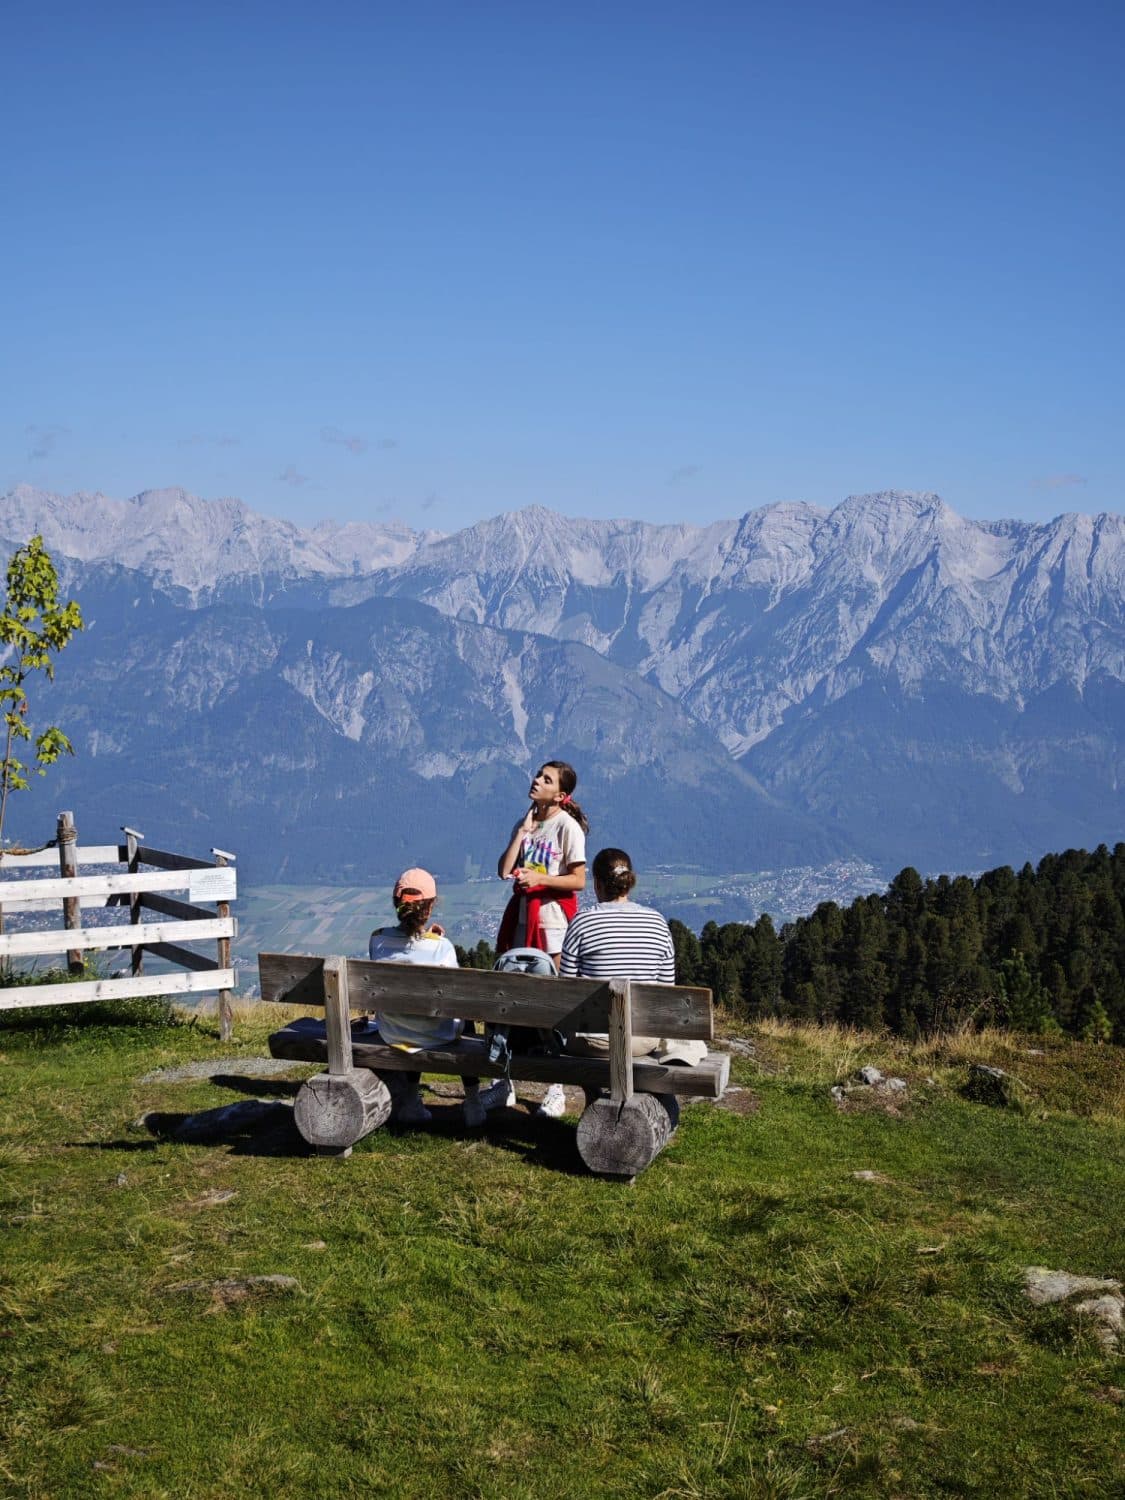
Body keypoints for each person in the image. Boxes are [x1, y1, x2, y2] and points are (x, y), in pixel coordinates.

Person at [367, 868, 503, 1127]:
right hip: (437, 1033)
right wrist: (436, 939)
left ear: (397, 904)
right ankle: (473, 1103)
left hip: (393, 1032)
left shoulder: (378, 940)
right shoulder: (442, 947)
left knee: (410, 1016)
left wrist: (428, 937)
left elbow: (407, 948)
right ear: (428, 909)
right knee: (458, 1018)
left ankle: (410, 1100)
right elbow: (458, 995)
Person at [495, 760, 589, 1116]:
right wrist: (521, 832)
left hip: (551, 924)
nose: (536, 780)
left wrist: (540, 881)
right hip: (521, 920)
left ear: (560, 795)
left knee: (554, 1003)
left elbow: (578, 880)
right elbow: (504, 870)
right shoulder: (528, 823)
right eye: (538, 775)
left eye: (546, 779)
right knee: (513, 1001)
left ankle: (556, 1087)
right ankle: (504, 1080)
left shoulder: (567, 828)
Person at [559, 846, 706, 1064]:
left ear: (597, 883)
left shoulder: (582, 922)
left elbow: (566, 989)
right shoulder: (657, 922)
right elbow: (666, 991)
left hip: (590, 1040)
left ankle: (595, 1094)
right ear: (628, 883)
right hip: (643, 1040)